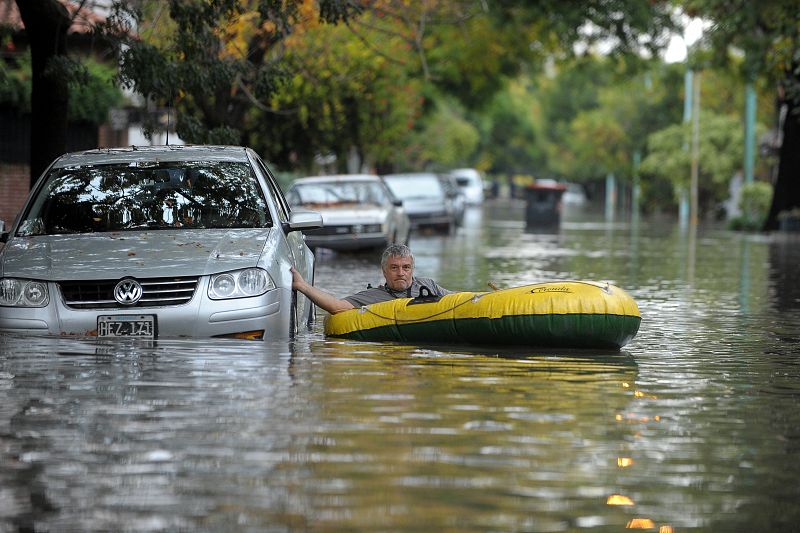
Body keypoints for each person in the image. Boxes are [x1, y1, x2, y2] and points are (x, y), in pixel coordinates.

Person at [291, 244, 451, 314]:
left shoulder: (427, 285)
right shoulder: (372, 296)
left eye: (406, 267)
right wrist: (302, 286)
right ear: (384, 271)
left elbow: (459, 299)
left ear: (412, 269)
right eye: (394, 267)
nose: (401, 273)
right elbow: (336, 306)